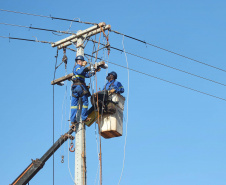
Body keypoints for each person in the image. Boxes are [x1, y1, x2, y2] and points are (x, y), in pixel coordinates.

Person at [71, 55, 95, 124]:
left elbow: (87, 75)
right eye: (82, 61)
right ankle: (84, 117)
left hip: (75, 88)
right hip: (80, 87)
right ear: (79, 61)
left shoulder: (80, 68)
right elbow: (79, 72)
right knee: (85, 102)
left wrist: (93, 71)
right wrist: (84, 66)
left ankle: (73, 120)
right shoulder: (77, 67)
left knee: (74, 105)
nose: (83, 63)